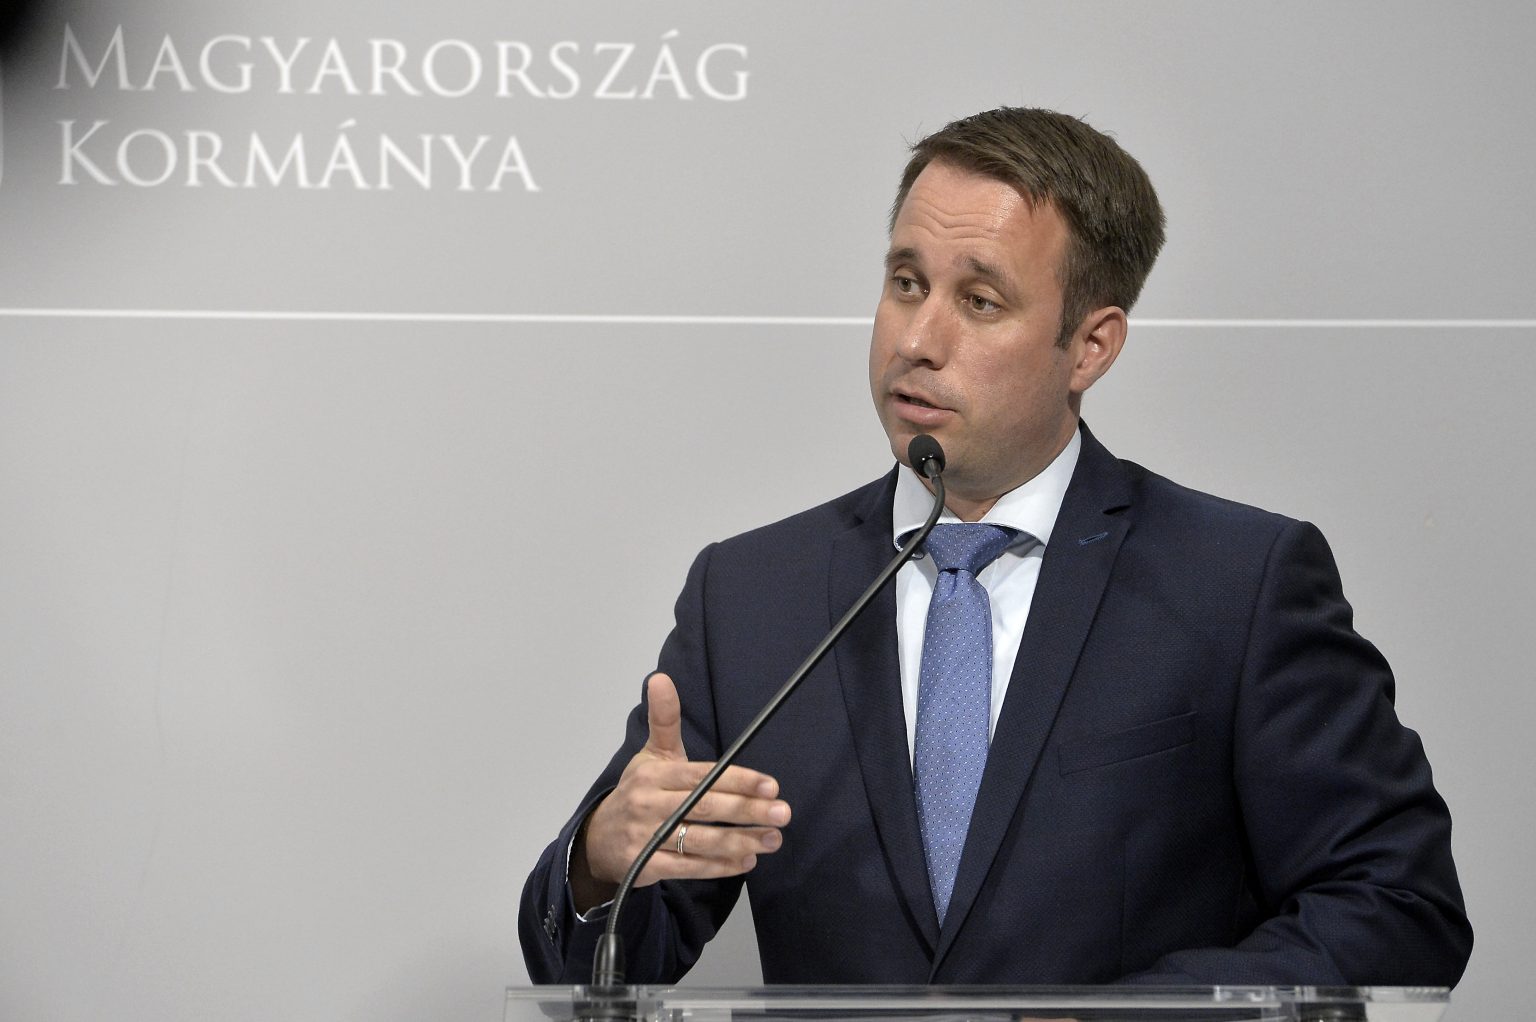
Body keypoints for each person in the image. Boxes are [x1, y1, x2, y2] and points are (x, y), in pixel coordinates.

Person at [519, 106, 1472, 986]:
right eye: (906, 284)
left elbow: (1398, 903)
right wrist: (602, 861)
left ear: (1090, 346)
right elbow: (596, 961)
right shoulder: (753, 594)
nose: (917, 339)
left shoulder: (1237, 583)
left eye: (979, 301)